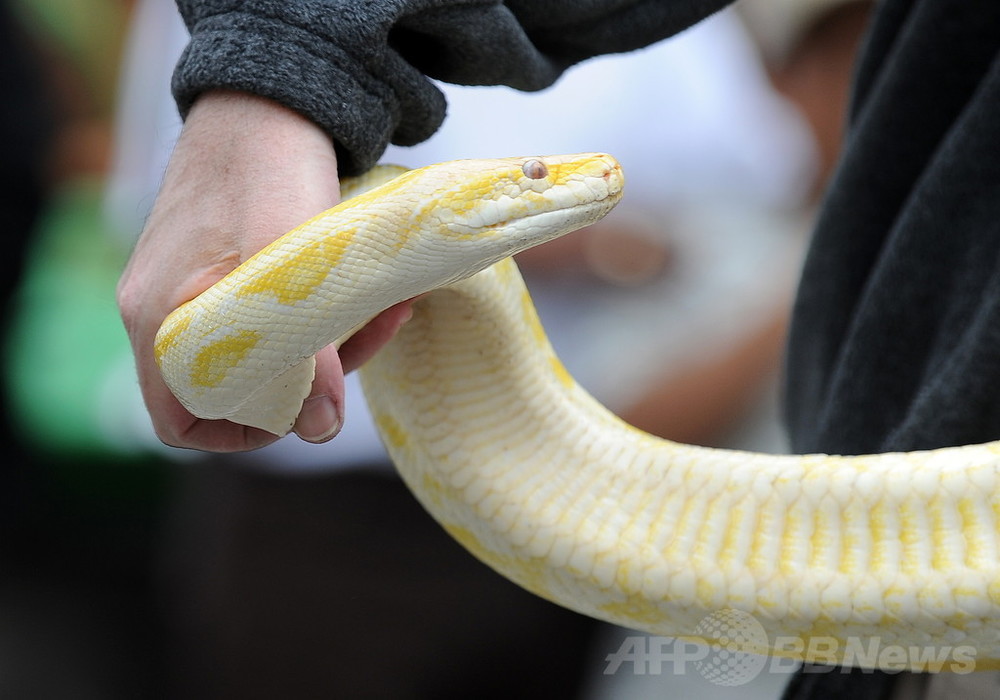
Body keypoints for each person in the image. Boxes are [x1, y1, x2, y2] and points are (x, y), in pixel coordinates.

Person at [116, 2, 1000, 699]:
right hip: (322, 524)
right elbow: (171, 226)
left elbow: (756, 173)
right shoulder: (222, 26)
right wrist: (279, 73)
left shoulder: (677, 42)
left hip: (536, 534)